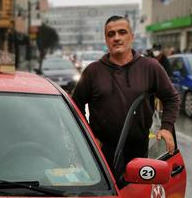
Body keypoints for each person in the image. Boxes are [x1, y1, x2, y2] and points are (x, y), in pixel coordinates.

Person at [71, 15, 180, 175]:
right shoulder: (93, 72)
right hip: (101, 152)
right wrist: (89, 136)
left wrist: (166, 127)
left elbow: (171, 98)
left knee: (136, 196)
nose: (116, 38)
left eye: (122, 32)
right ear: (106, 40)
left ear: (132, 37)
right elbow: (76, 106)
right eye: (111, 34)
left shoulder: (150, 67)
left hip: (138, 150)